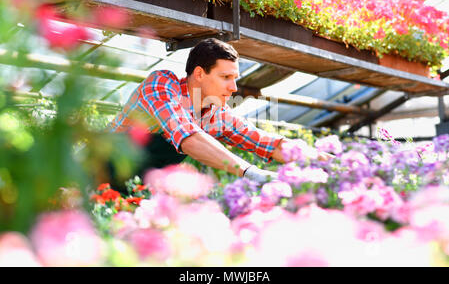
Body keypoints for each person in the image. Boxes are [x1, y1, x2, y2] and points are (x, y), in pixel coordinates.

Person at [107, 38, 326, 190]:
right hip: (89, 176)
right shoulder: (162, 85)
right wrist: (249, 171)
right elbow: (187, 135)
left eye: (235, 79)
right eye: (226, 77)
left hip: (133, 190)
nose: (234, 88)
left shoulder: (214, 114)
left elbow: (267, 143)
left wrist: (333, 163)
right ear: (200, 73)